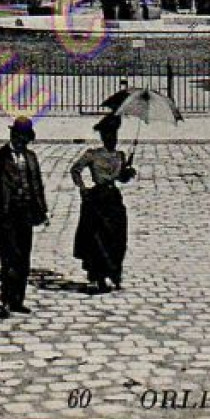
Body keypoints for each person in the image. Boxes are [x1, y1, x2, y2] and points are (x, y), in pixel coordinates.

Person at [0, 116, 49, 317]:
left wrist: (43, 211)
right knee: (8, 258)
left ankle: (19, 300)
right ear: (13, 135)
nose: (23, 142)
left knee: (24, 259)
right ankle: (7, 300)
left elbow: (37, 186)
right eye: (21, 138)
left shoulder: (31, 157)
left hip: (26, 214)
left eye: (26, 139)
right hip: (5, 215)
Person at [70, 112, 137, 293]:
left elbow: (121, 178)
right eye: (108, 135)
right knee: (97, 240)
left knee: (117, 239)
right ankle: (97, 276)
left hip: (113, 200)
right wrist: (83, 188)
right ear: (103, 137)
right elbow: (75, 170)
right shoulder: (92, 155)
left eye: (114, 135)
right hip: (97, 200)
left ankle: (114, 273)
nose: (112, 139)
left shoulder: (120, 156)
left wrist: (127, 173)